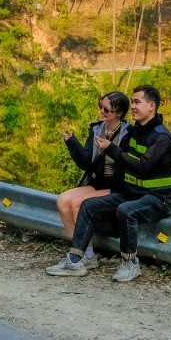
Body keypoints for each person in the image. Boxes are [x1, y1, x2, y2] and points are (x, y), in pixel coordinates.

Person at [46, 84, 171, 283]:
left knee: (126, 210)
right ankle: (75, 260)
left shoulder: (161, 136)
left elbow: (143, 167)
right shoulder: (136, 131)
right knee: (89, 205)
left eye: (137, 102)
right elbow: (114, 162)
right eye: (132, 102)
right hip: (134, 192)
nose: (133, 106)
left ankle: (130, 263)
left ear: (151, 106)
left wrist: (110, 149)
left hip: (159, 198)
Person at [55, 91, 131, 269]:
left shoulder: (128, 133)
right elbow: (86, 162)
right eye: (100, 106)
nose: (102, 112)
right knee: (63, 200)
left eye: (106, 109)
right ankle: (86, 253)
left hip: (117, 185)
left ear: (118, 113)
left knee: (77, 203)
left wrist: (110, 149)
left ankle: (81, 255)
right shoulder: (97, 129)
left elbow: (128, 163)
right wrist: (72, 142)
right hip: (97, 182)